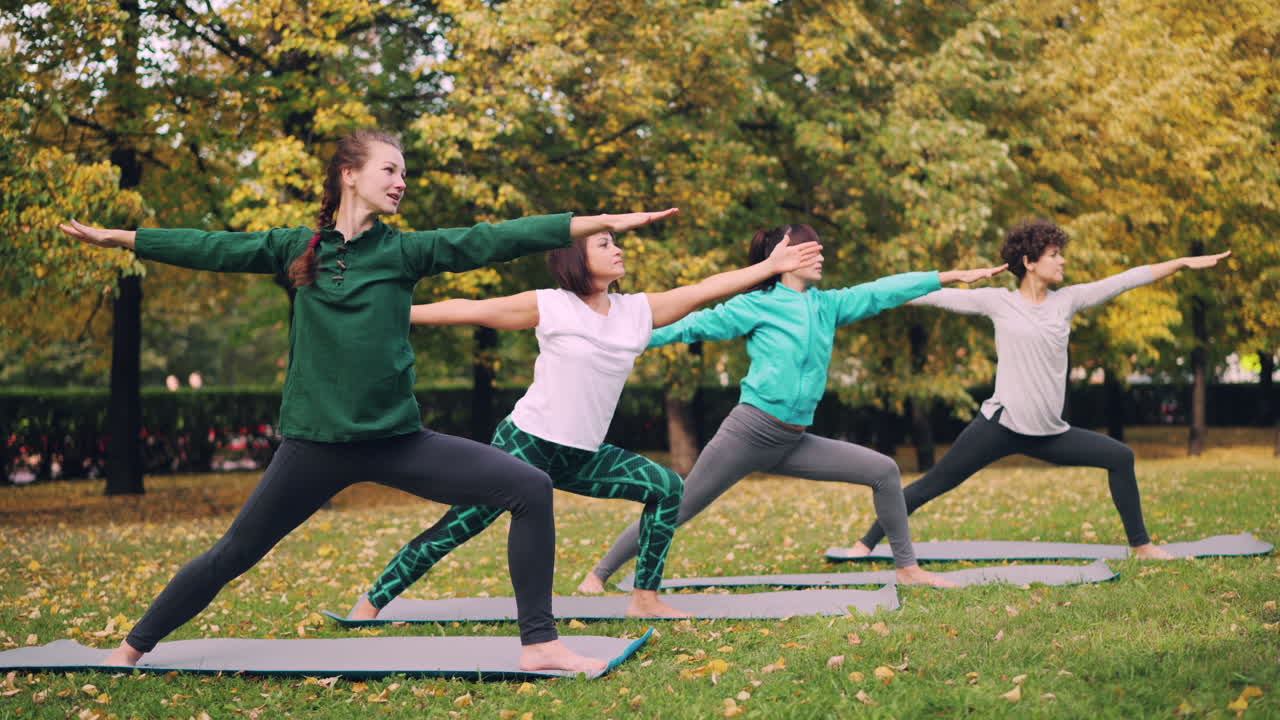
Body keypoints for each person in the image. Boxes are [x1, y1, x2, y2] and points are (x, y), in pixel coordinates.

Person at [58, 129, 678, 674]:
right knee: (234, 554)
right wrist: (125, 239)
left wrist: (593, 223)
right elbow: (212, 247)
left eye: (404, 173)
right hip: (314, 448)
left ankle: (539, 643)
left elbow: (494, 239)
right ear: (349, 175)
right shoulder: (295, 248)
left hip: (397, 442)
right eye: (391, 170)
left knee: (528, 488)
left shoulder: (402, 252)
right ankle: (131, 650)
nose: (401, 182)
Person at [351, 230, 823, 620]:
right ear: (575, 257)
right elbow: (468, 309)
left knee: (665, 489)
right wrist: (393, 316)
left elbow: (706, 289)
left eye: (615, 242)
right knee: (458, 527)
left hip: (582, 454)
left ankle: (645, 598)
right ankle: (372, 602)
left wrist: (769, 266)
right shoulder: (551, 305)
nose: (617, 249)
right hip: (525, 446)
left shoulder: (636, 312)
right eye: (603, 244)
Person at [583, 224, 1007, 591]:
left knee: (884, 471)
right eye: (811, 249)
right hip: (748, 434)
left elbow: (882, 290)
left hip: (794, 440)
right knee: (680, 506)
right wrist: (620, 335)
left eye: (821, 248)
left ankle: (908, 569)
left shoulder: (827, 306)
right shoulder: (757, 305)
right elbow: (692, 324)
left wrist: (947, 276)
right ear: (784, 258)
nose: (821, 256)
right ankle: (598, 574)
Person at [842, 219, 1230, 560]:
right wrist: (867, 293)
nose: (1062, 261)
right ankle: (866, 542)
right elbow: (931, 294)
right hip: (998, 427)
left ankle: (1141, 545)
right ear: (1029, 262)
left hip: (1049, 433)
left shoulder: (1068, 301)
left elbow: (1127, 279)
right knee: (935, 482)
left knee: (1120, 457)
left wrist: (1180, 263)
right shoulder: (998, 302)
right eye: (1054, 254)